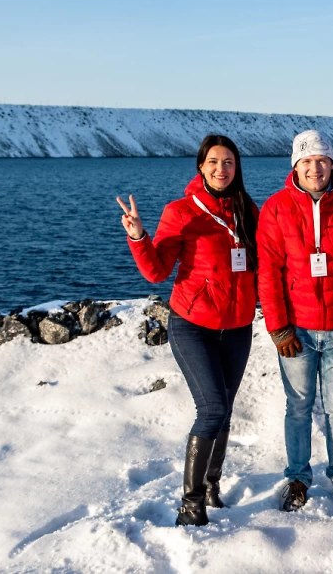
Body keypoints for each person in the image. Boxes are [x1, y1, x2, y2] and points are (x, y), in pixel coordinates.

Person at [118, 134, 259, 527]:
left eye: (228, 162)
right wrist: (138, 236)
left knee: (224, 409)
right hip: (193, 324)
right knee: (212, 408)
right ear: (201, 166)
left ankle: (212, 487)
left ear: (236, 167)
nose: (221, 169)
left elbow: (263, 261)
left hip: (237, 326)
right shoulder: (181, 211)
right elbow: (156, 271)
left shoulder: (247, 209)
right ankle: (191, 505)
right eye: (213, 162)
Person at [257, 130, 333, 513]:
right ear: (295, 166)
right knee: (298, 406)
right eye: (307, 161)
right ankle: (297, 477)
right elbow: (268, 272)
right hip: (297, 330)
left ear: (332, 164)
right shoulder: (276, 208)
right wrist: (278, 328)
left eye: (322, 160)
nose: (315, 168)